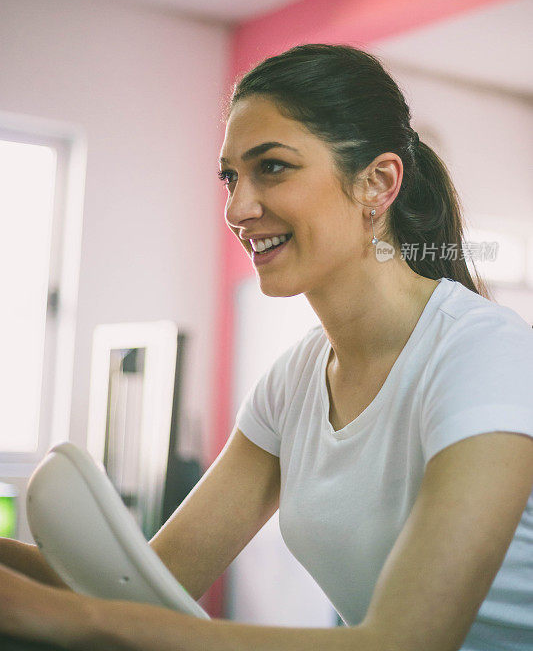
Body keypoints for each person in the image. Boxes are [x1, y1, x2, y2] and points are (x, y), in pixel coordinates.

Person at [1, 43, 532, 650]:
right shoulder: (296, 381)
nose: (237, 207)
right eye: (230, 177)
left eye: (272, 167)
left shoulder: (484, 353)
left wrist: (70, 620)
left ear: (378, 183)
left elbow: (405, 642)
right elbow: (149, 579)